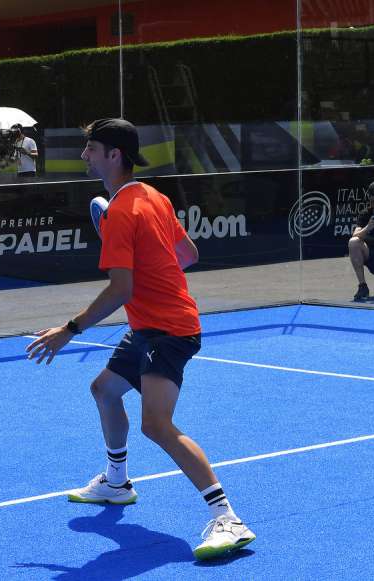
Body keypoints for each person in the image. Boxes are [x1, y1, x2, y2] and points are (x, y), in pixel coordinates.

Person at [25, 118, 255, 561]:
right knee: (105, 390)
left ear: (114, 155)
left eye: (91, 149)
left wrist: (68, 331)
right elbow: (188, 255)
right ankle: (116, 482)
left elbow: (120, 290)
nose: (84, 156)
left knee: (156, 425)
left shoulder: (122, 213)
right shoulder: (154, 196)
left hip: (168, 331)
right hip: (151, 324)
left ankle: (227, 516)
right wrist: (153, 273)